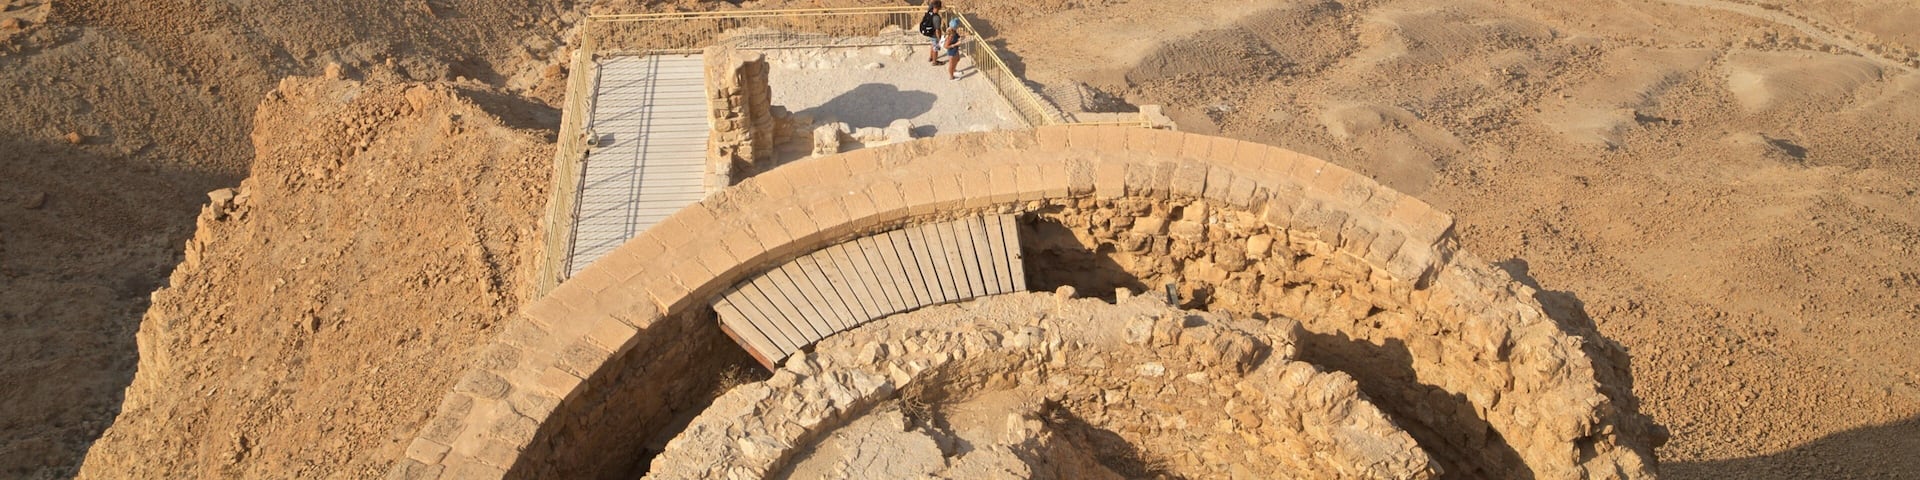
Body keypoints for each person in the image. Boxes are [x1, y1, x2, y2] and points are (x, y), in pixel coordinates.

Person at [919, 1, 945, 65]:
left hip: (929, 33)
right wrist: (939, 39)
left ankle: (931, 57)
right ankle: (934, 61)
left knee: (932, 45)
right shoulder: (936, 17)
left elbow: (931, 4)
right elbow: (937, 30)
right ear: (939, 7)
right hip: (934, 34)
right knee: (935, 48)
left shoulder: (929, 11)